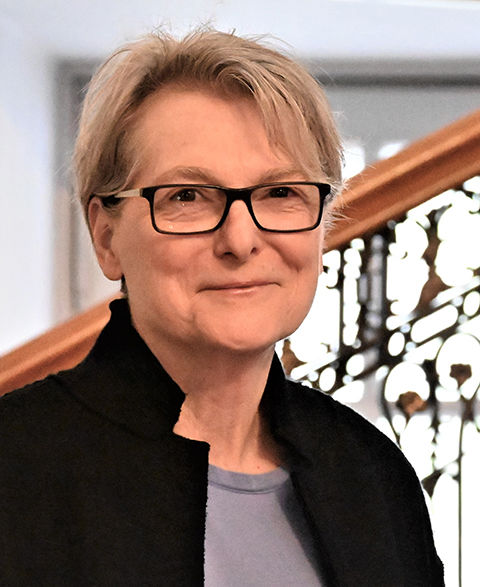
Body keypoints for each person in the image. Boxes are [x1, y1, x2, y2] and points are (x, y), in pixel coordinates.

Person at [0, 30, 443, 586]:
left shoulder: (372, 476)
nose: (241, 239)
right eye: (187, 195)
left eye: (281, 193)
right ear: (106, 236)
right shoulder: (16, 469)